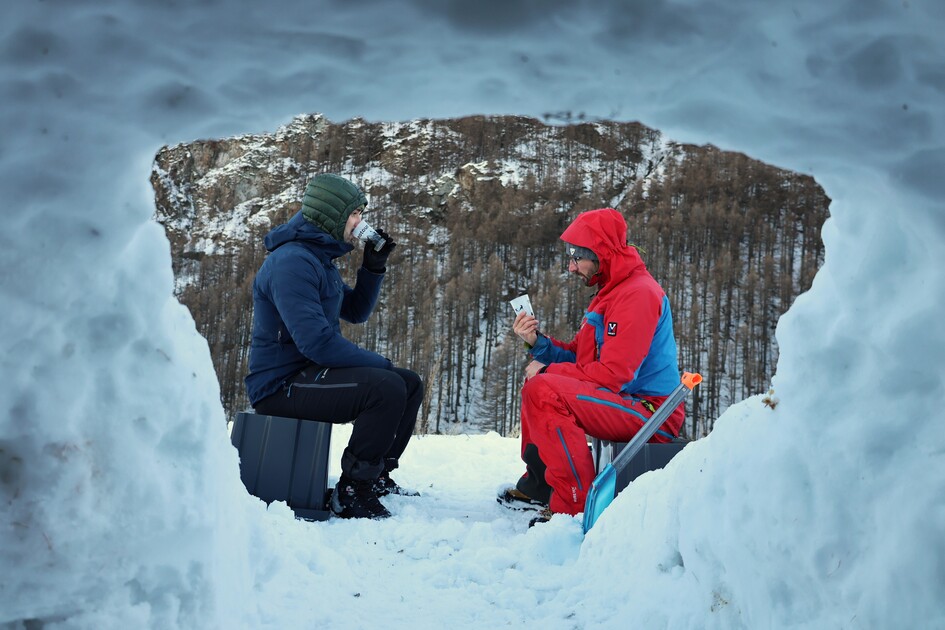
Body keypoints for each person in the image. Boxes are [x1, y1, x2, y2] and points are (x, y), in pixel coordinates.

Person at [245, 173, 424, 520]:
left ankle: (376, 476)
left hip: (308, 374)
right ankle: (353, 491)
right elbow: (318, 344)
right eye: (354, 214)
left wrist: (373, 268)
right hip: (280, 385)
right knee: (386, 386)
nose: (360, 222)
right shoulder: (292, 262)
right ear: (331, 215)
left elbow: (355, 311)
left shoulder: (317, 259)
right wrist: (382, 364)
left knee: (409, 383)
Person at [501, 208, 684, 523]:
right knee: (537, 385)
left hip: (651, 413)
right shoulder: (611, 291)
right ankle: (541, 485)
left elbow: (613, 375)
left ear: (601, 254)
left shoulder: (637, 294)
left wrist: (547, 372)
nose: (571, 267)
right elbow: (579, 358)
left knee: (544, 389)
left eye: (577, 258)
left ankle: (573, 505)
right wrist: (536, 343)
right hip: (624, 402)